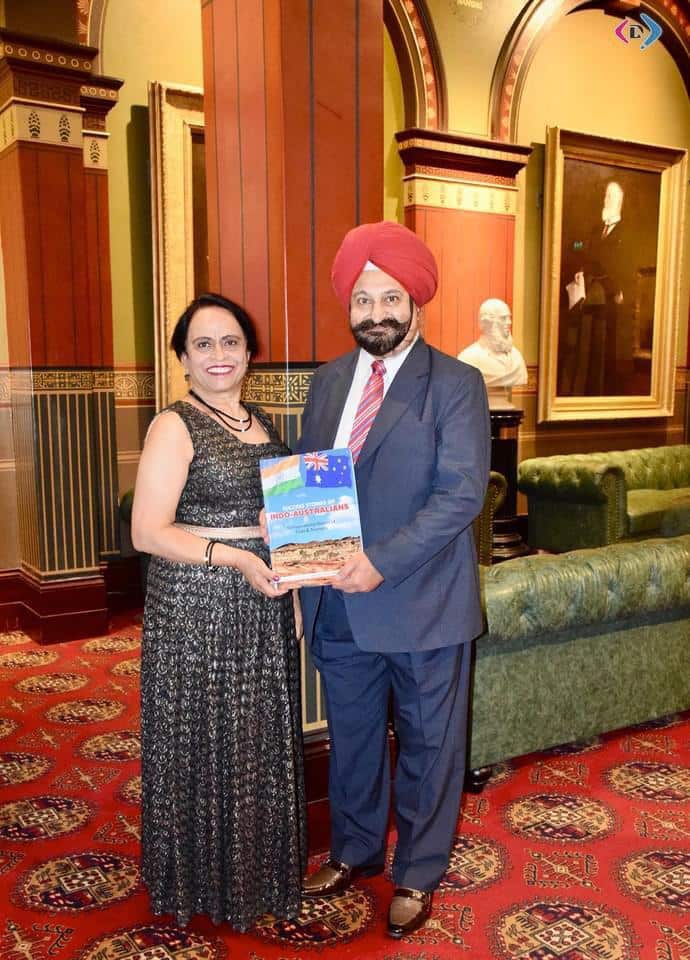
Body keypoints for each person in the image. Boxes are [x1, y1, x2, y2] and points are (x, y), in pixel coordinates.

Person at [297, 221, 490, 938]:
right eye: (362, 298)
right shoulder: (325, 383)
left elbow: (461, 495)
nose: (374, 311)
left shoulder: (457, 384)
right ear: (347, 304)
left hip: (422, 604)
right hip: (337, 605)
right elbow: (315, 480)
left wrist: (379, 560)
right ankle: (353, 850)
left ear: (417, 302)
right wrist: (292, 536)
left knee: (430, 745)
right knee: (351, 737)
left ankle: (417, 872)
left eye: (390, 297)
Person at [132, 292, 306, 930]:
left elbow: (273, 512)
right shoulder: (174, 424)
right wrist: (235, 556)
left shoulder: (259, 417)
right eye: (202, 344)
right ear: (182, 358)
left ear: (250, 352)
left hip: (264, 598)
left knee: (256, 735)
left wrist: (278, 536)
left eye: (230, 341)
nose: (219, 355)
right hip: (199, 603)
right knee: (206, 735)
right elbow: (148, 532)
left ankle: (255, 874)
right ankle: (201, 879)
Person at [458, 298, 527, 389]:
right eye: (503, 318)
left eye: (509, 318)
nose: (509, 322)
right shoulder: (468, 358)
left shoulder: (517, 357)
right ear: (487, 322)